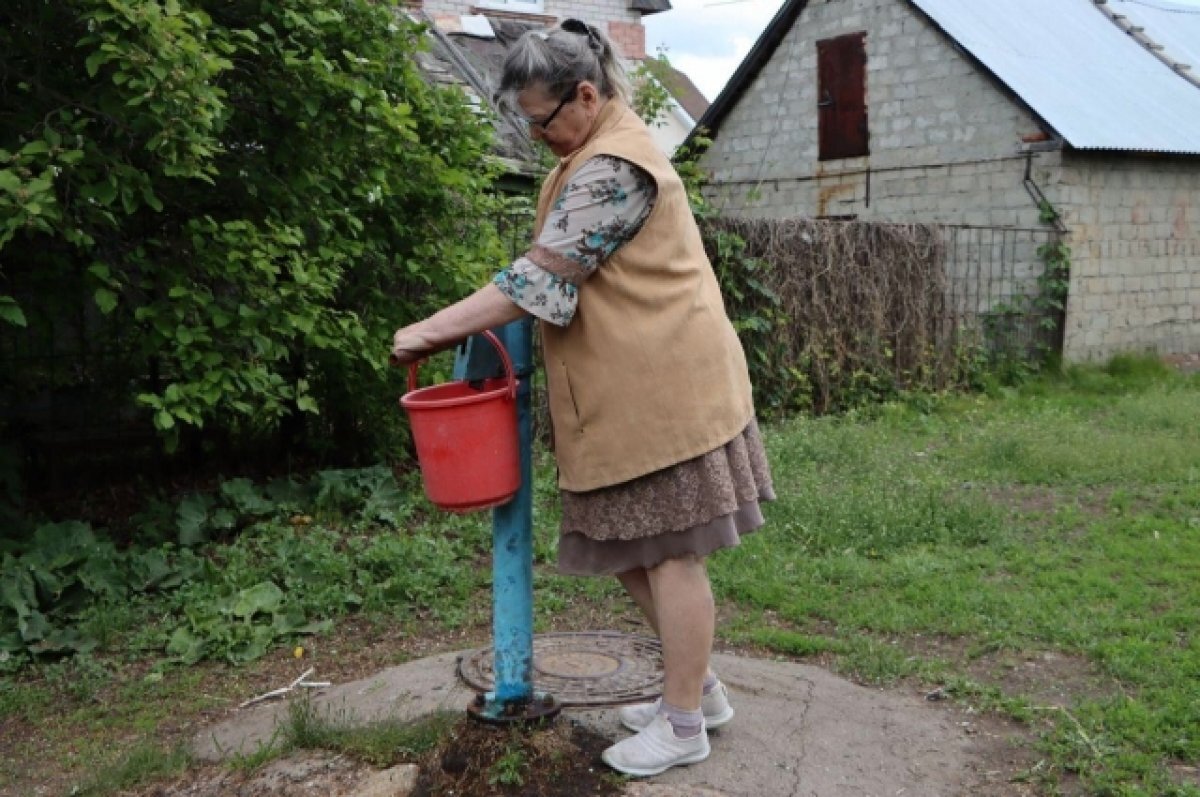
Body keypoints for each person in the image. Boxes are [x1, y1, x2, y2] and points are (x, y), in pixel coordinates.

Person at [390, 19, 774, 778]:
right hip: (630, 397)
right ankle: (698, 688)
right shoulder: (590, 150)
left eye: (540, 120)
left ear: (587, 94)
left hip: (669, 395)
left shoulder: (617, 168)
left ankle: (685, 723)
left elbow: (538, 278)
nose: (535, 137)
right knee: (636, 547)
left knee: (670, 555)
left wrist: (428, 332)